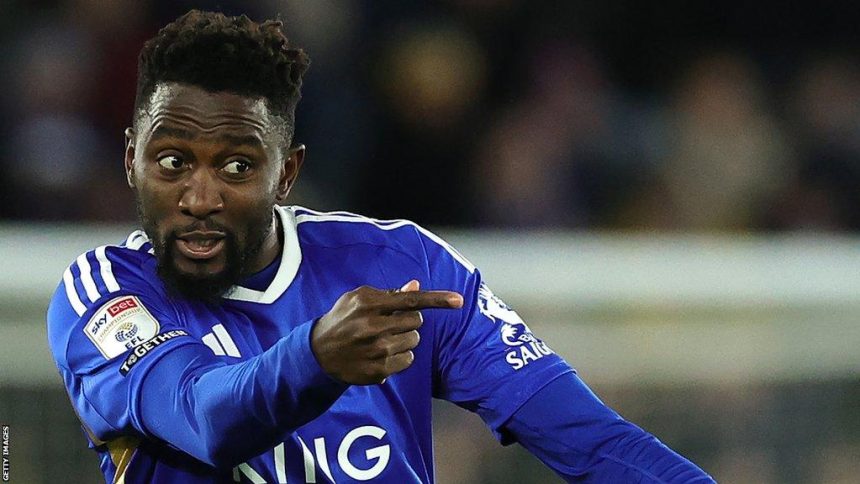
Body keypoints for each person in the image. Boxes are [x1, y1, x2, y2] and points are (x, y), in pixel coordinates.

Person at [46, 10, 715, 484]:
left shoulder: (401, 266)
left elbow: (591, 443)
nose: (199, 196)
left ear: (287, 173)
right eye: (171, 162)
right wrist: (315, 358)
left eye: (238, 166)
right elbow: (202, 416)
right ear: (131, 160)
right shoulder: (105, 294)